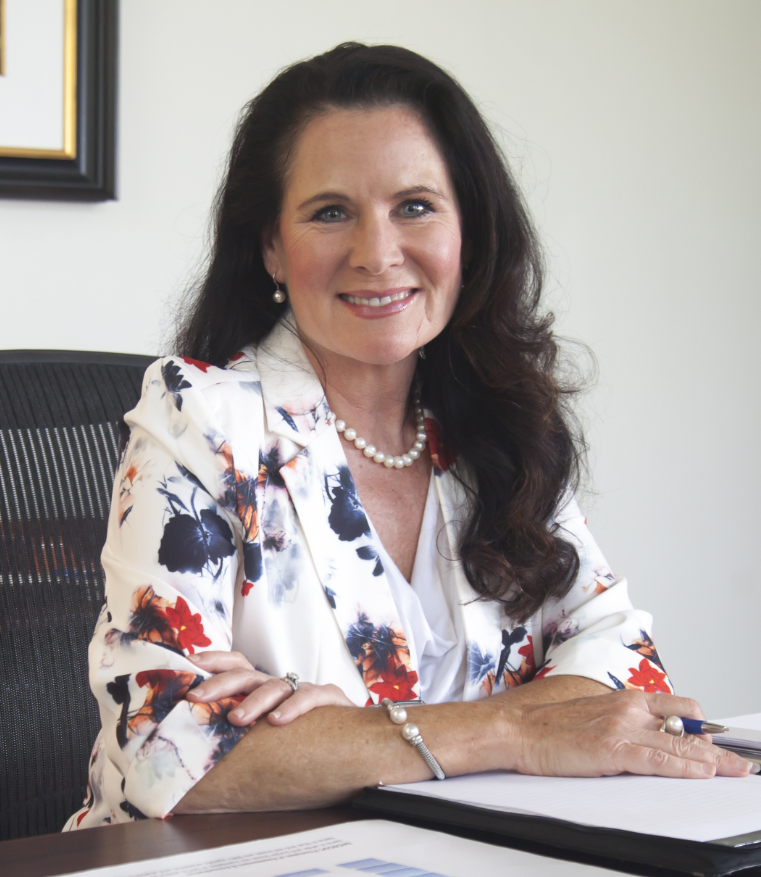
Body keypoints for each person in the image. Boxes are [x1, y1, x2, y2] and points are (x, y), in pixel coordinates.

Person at [66, 43, 752, 830]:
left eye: (416, 206)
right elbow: (168, 754)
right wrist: (512, 725)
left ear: (469, 233)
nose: (378, 253)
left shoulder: (499, 424)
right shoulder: (200, 421)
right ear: (269, 247)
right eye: (330, 212)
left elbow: (621, 664)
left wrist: (346, 733)